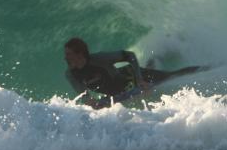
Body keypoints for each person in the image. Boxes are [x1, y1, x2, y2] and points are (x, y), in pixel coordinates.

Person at [64, 37, 201, 106]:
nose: (66, 57)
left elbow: (130, 56)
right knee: (150, 71)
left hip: (130, 78)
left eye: (69, 54)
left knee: (172, 76)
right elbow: (84, 95)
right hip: (119, 92)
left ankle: (207, 68)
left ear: (80, 54)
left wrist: (140, 80)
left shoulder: (100, 59)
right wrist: (90, 101)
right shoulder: (71, 75)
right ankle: (153, 60)